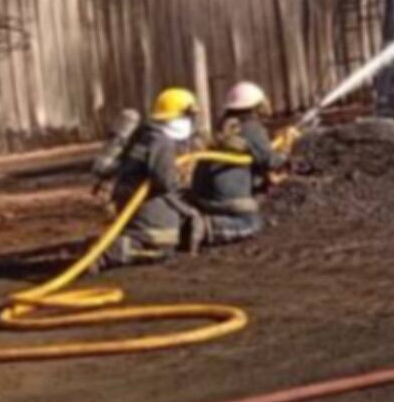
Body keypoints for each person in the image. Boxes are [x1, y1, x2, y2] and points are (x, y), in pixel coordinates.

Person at [98, 87, 203, 269]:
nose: (192, 121)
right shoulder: (162, 142)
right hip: (145, 205)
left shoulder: (145, 134)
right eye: (189, 116)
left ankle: (123, 241)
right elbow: (166, 183)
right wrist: (189, 210)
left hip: (130, 201)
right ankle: (111, 253)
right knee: (162, 244)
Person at [191, 81, 287, 245]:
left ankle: (207, 215)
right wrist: (285, 152)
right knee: (251, 223)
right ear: (256, 106)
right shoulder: (251, 128)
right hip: (225, 195)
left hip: (202, 192)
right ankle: (208, 227)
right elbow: (270, 161)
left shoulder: (224, 124)